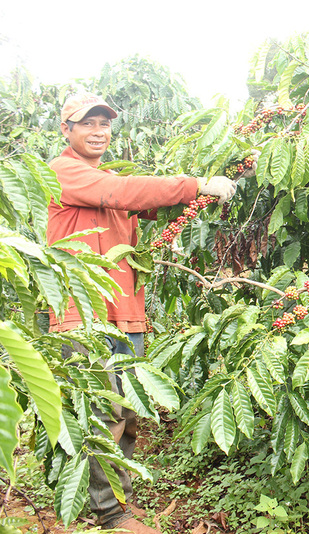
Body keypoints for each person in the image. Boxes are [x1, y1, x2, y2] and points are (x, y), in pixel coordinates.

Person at [48, 93, 237, 533]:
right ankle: (110, 514)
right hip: (83, 314)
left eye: (104, 124)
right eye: (87, 124)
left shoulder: (108, 178)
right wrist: (194, 183)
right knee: (102, 414)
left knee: (128, 412)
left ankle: (120, 503)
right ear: (66, 130)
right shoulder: (63, 172)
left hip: (125, 314)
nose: (98, 132)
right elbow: (125, 192)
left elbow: (148, 201)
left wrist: (218, 180)